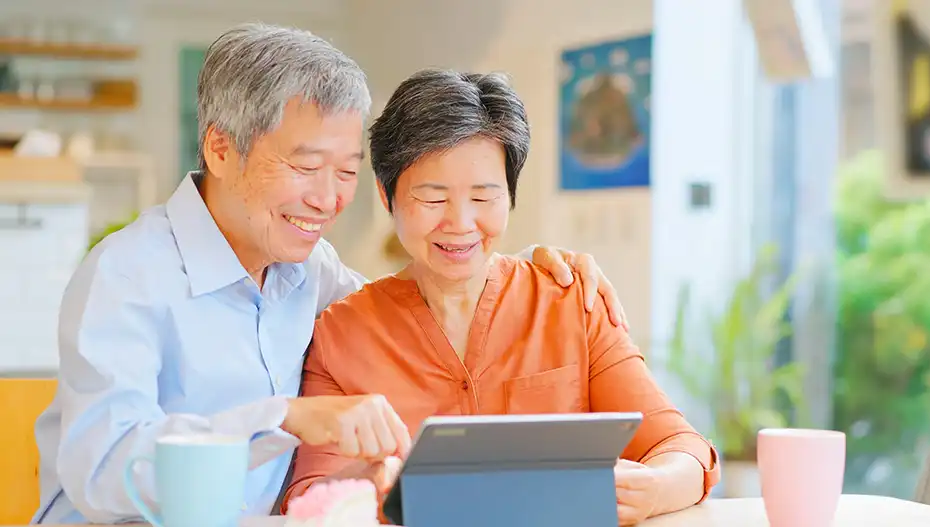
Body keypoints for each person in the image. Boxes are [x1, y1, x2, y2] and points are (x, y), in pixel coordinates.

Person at [31, 25, 626, 525]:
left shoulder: (310, 269)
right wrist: (284, 417)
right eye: (306, 165)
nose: (328, 199)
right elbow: (103, 469)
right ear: (218, 148)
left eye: (346, 171)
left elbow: (411, 305)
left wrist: (529, 268)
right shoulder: (126, 275)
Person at [284, 69, 720, 526]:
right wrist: (374, 482)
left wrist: (655, 489)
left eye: (483, 197)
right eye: (433, 199)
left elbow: (684, 449)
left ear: (510, 196)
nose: (460, 223)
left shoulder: (574, 303)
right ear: (386, 196)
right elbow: (311, 499)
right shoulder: (339, 336)